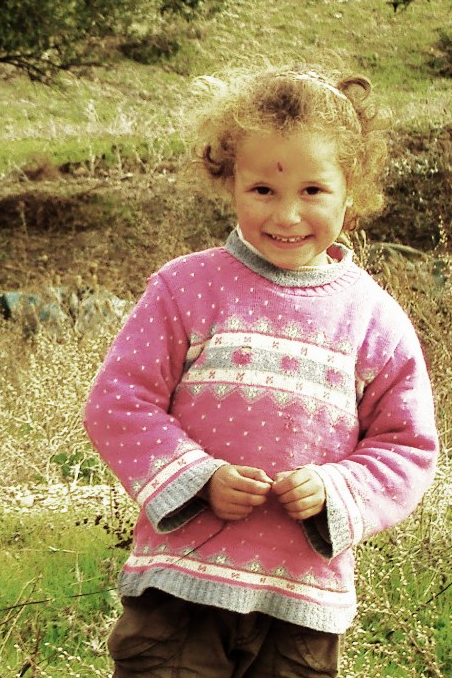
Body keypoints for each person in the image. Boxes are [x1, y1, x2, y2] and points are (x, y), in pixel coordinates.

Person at [82, 66, 438, 677]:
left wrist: (337, 490)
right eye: (264, 191)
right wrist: (200, 479)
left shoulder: (373, 318)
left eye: (313, 191)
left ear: (351, 193)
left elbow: (408, 446)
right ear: (232, 184)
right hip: (179, 590)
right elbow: (119, 402)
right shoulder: (186, 287)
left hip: (302, 607)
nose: (288, 215)